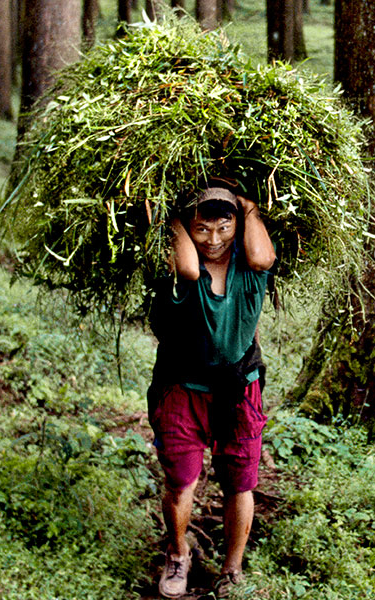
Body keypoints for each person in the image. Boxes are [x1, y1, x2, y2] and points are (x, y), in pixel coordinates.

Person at [148, 181, 275, 598]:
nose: (214, 239)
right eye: (202, 229)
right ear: (188, 228)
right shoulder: (180, 267)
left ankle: (232, 568)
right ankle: (178, 552)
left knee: (241, 482)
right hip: (182, 388)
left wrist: (249, 208)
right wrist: (173, 219)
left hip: (239, 388)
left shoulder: (250, 268)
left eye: (224, 227)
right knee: (181, 480)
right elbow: (187, 267)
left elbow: (264, 254)